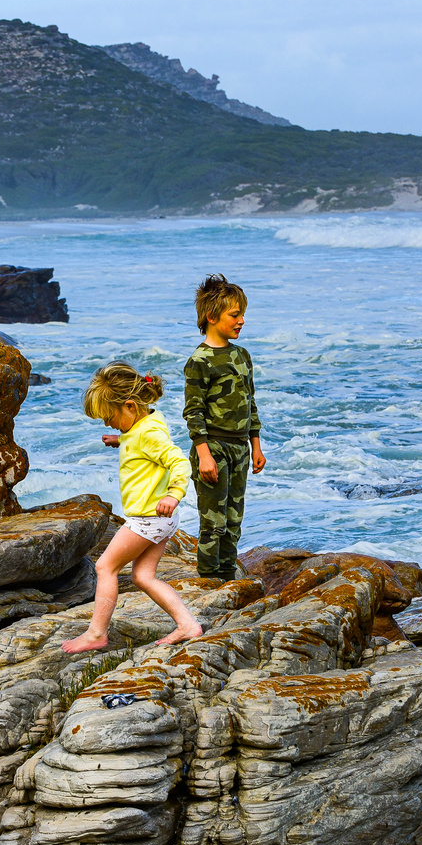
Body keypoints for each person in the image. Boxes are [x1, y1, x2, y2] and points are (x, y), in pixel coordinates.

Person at [61, 362, 203, 654]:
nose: (106, 423)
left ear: (128, 406)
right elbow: (141, 437)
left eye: (108, 417)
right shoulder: (144, 424)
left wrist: (174, 494)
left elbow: (179, 462)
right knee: (142, 577)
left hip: (149, 517)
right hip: (162, 519)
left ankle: (96, 633)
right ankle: (187, 625)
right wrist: (122, 439)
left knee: (105, 566)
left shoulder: (148, 435)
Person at [182, 273, 264, 581]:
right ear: (211, 317)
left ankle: (228, 578)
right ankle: (207, 580)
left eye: (243, 314)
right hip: (212, 447)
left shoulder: (242, 355)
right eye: (235, 315)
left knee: (233, 520)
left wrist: (255, 446)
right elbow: (193, 412)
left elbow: (250, 404)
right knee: (213, 522)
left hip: (240, 448)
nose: (242, 320)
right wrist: (204, 455)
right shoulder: (199, 361)